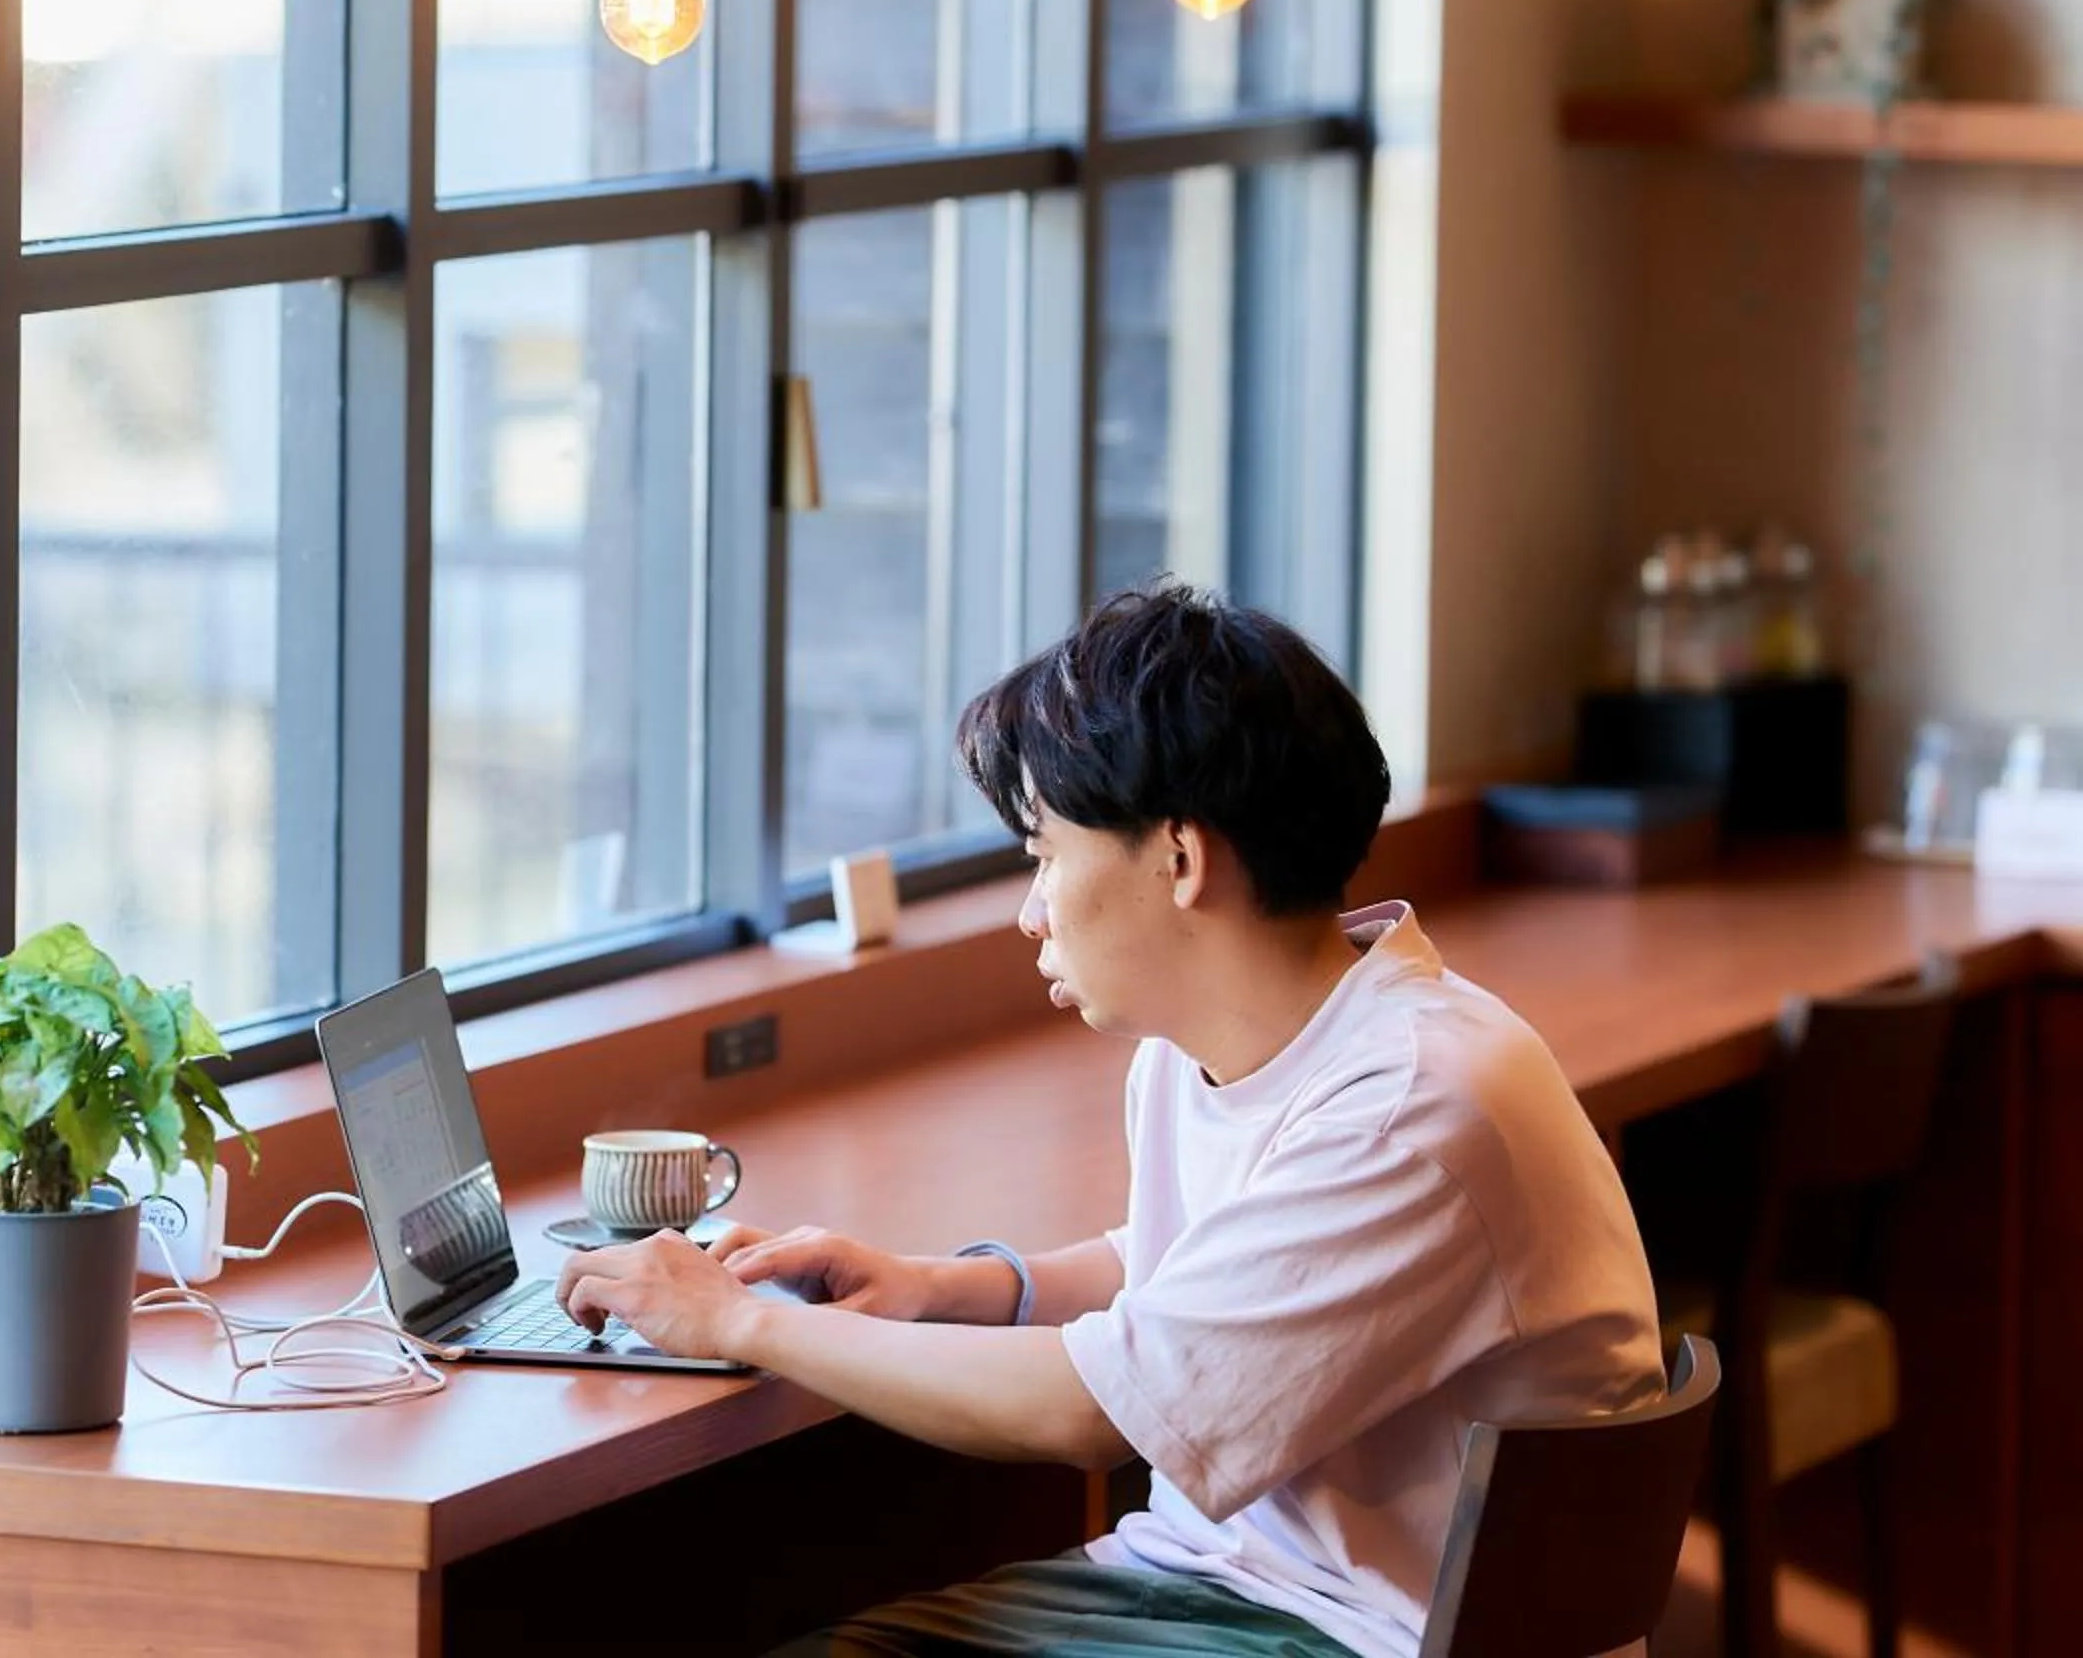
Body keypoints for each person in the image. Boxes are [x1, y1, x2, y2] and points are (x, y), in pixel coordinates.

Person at [556, 584, 1663, 1658]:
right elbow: (1205, 1275)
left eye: (1043, 854)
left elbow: (1102, 1409)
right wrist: (952, 1286)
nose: (1031, 910)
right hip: (1229, 1585)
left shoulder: (1412, 1104)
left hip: (1353, 1629)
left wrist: (741, 1322)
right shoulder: (1224, 1045)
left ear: (1179, 859)